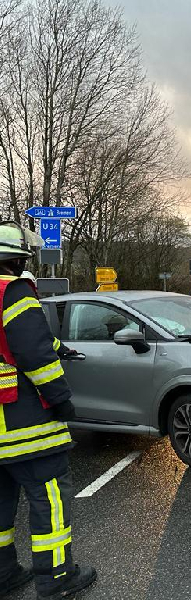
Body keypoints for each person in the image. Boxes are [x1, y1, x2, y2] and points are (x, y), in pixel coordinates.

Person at [0, 222, 96, 599]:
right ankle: (56, 578)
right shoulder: (13, 291)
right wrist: (60, 399)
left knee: (1, 503)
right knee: (50, 498)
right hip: (23, 425)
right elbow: (33, 354)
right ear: (15, 260)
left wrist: (58, 345)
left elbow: (16, 340)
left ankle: (4, 574)